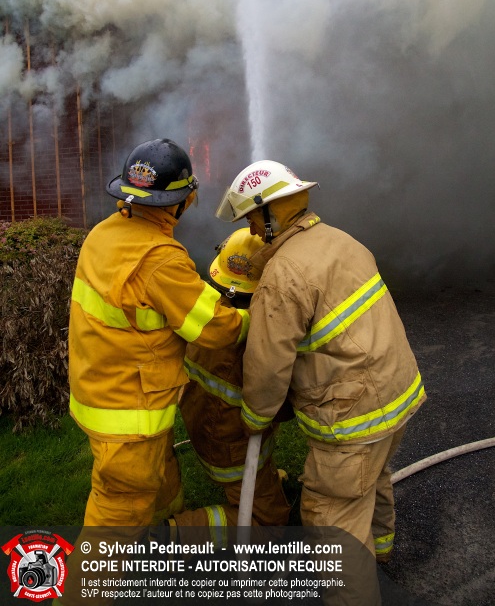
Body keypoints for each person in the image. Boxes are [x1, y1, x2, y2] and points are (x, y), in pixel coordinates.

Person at [216, 160, 426, 567]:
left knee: (331, 516)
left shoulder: (283, 275)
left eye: (252, 220)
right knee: (371, 480)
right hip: (396, 394)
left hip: (352, 417)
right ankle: (380, 556)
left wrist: (256, 418)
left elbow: (267, 364)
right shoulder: (341, 240)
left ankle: (355, 589)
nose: (252, 231)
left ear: (271, 213)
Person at [68, 138, 250, 529]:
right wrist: (254, 318)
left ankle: (163, 529)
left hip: (98, 388)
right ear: (180, 201)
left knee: (159, 472)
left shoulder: (104, 233)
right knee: (118, 512)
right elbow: (215, 329)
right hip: (129, 415)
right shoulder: (159, 259)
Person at [168, 227, 290, 536]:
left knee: (266, 488)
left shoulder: (210, 314)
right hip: (232, 449)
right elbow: (281, 406)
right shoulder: (257, 339)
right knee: (269, 523)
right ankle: (174, 534)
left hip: (205, 428)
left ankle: (264, 482)